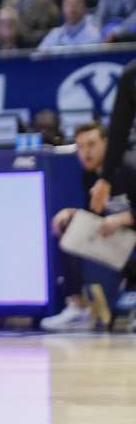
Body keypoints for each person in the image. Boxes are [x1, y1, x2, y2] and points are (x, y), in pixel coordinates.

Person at [44, 122, 136, 331]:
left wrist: (119, 220)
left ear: (107, 144)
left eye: (91, 144)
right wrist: (73, 214)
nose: (86, 152)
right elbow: (94, 216)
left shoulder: (130, 166)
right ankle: (78, 309)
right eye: (81, 147)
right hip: (118, 240)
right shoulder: (90, 175)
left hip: (130, 234)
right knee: (66, 227)